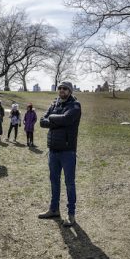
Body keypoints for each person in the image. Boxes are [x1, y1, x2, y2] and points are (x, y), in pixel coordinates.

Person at [37, 81, 82, 227]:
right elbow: (42, 122)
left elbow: (67, 119)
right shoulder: (54, 103)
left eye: (65, 89)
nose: (61, 90)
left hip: (68, 151)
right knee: (54, 181)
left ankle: (71, 215)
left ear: (70, 91)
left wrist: (52, 118)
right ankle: (54, 209)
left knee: (69, 183)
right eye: (60, 88)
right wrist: (56, 119)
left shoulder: (75, 105)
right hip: (53, 151)